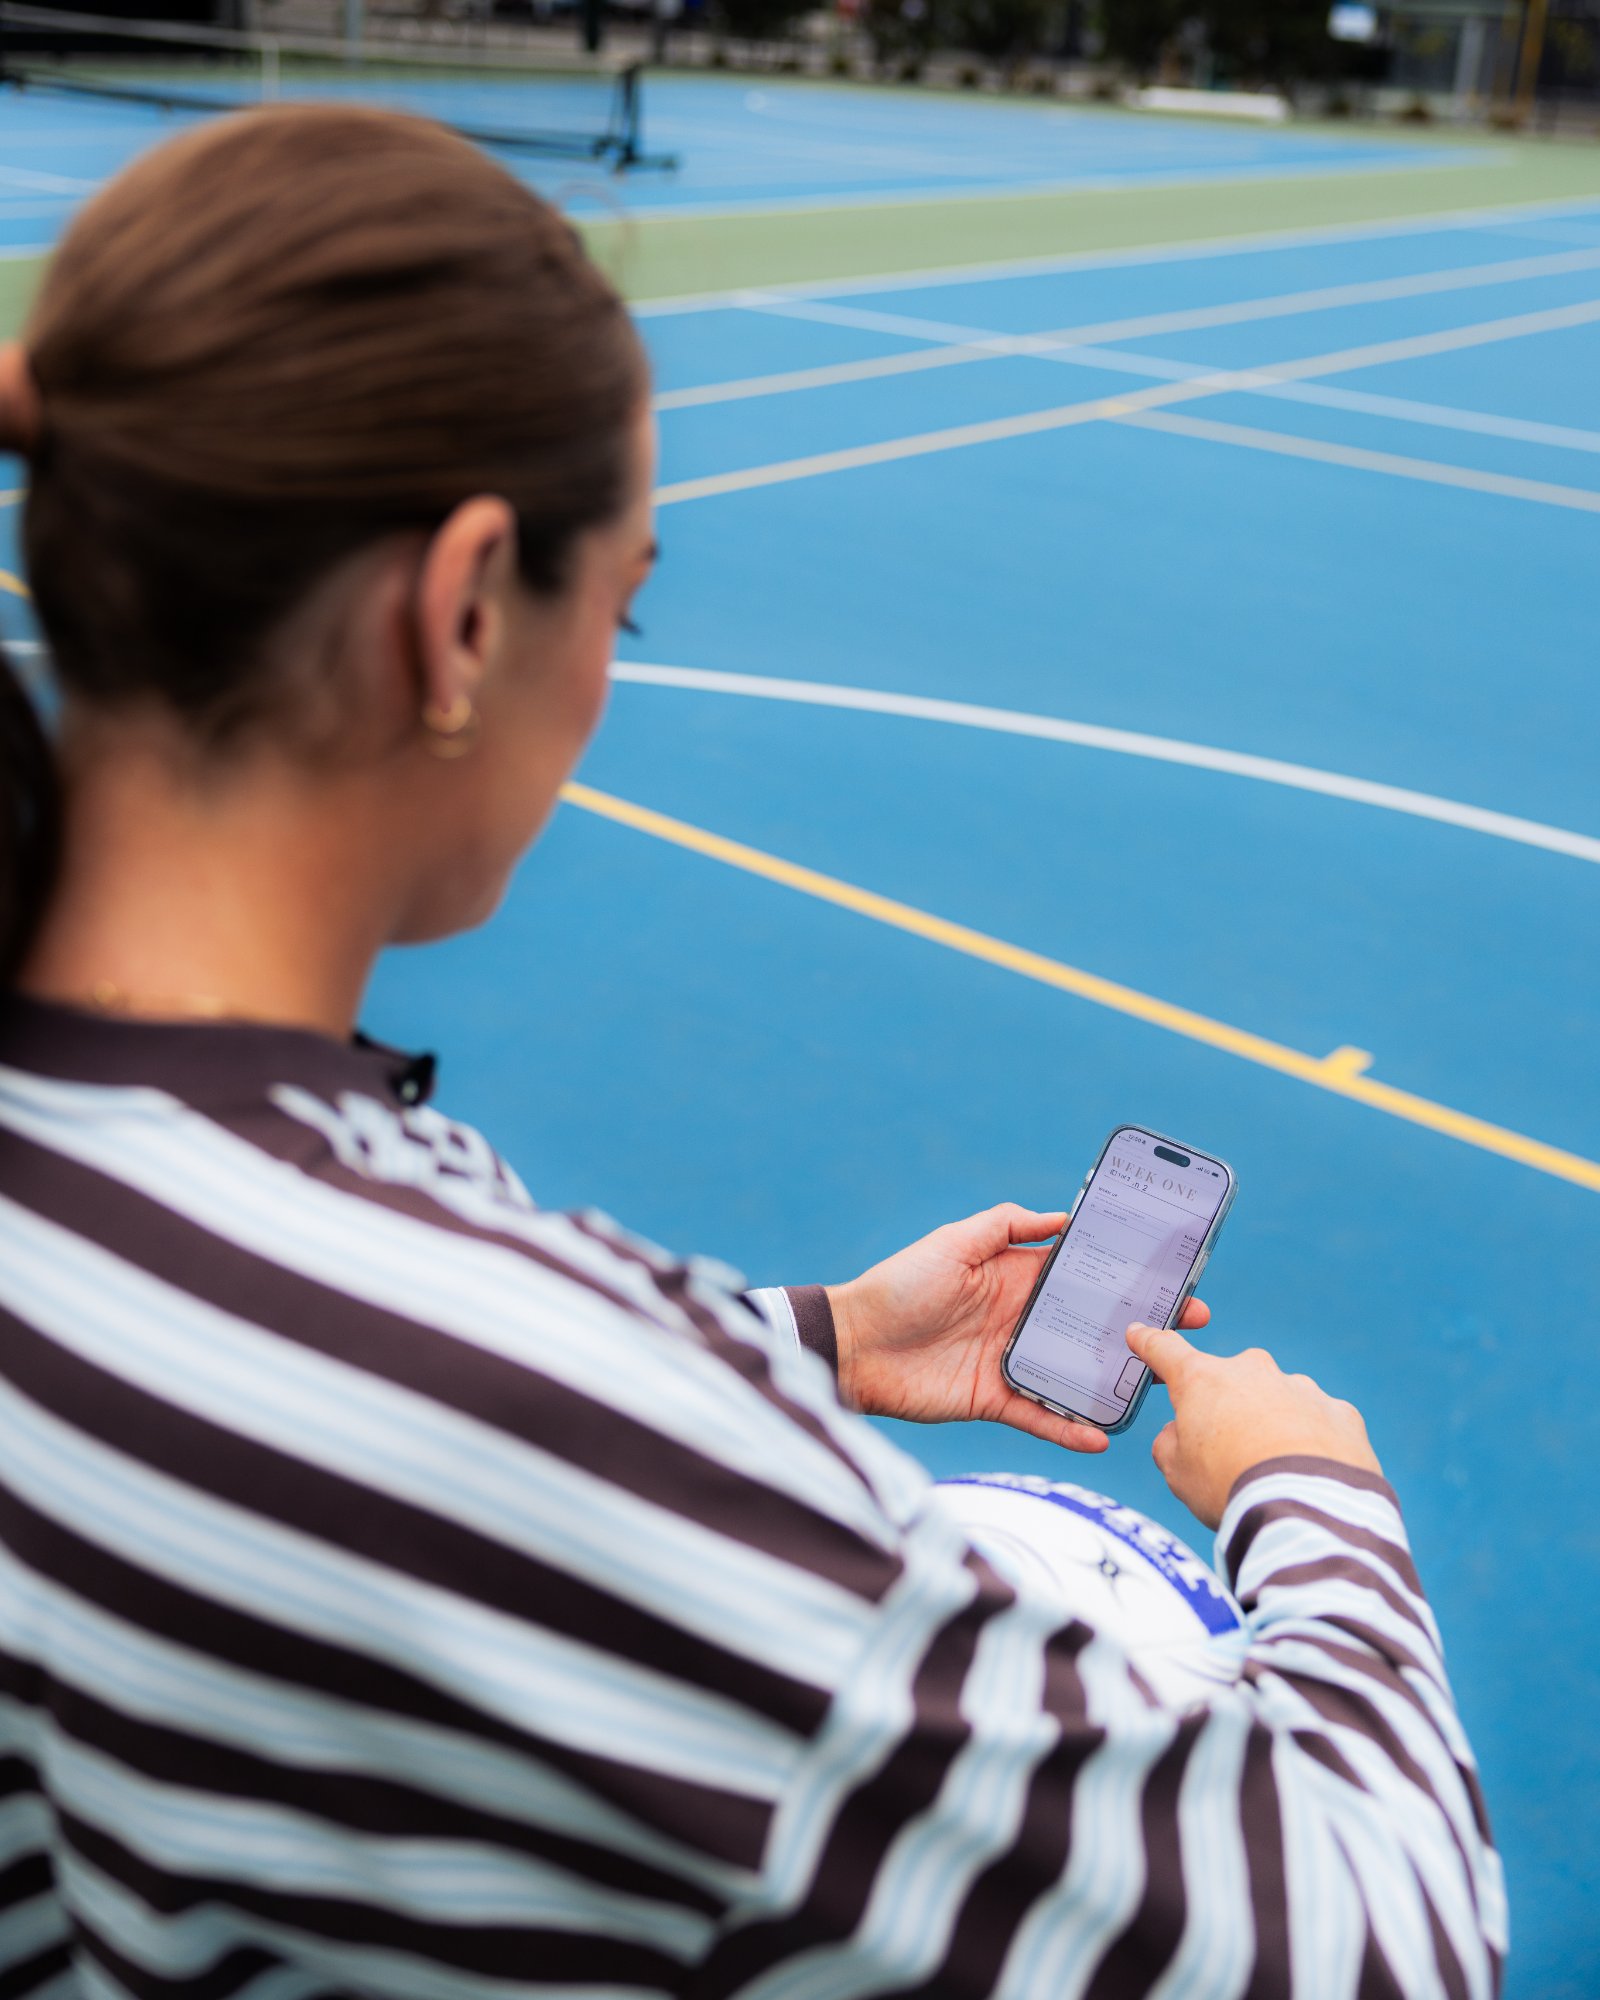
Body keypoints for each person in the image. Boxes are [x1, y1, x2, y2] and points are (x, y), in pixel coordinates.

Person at [0, 107, 1503, 2000]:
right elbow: (1379, 1943)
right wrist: (1316, 1498)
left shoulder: (123, 1158)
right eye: (618, 605)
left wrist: (831, 1344)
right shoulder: (467, 1418)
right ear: (464, 610)